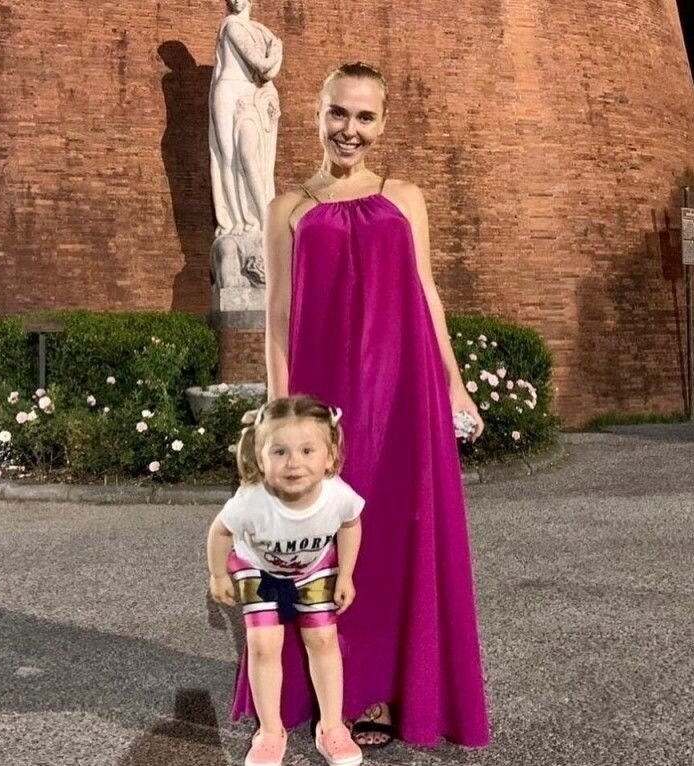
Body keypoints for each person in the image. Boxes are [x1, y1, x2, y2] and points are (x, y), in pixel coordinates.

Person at [236, 61, 491, 749]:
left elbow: (427, 293)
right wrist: (279, 416)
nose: (349, 129)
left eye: (364, 116)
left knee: (392, 534)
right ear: (318, 115)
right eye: (338, 113)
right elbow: (278, 318)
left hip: (403, 391)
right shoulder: (287, 209)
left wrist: (454, 382)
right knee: (318, 538)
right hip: (323, 399)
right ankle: (318, 692)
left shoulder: (404, 197)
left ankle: (379, 689)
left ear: (382, 123)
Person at [208, 395, 365, 766]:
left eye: (307, 450)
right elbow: (220, 531)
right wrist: (218, 574)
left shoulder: (337, 495)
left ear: (329, 456)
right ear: (260, 457)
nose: (294, 462)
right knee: (263, 645)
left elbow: (350, 524)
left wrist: (346, 574)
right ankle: (270, 731)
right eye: (279, 452)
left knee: (323, 640)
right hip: (258, 569)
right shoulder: (251, 501)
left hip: (313, 568)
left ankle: (331, 727)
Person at [209, 0, 282, 235]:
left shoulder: (259, 30)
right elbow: (261, 64)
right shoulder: (232, 26)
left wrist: (276, 51)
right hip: (227, 91)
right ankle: (235, 221)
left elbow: (268, 72)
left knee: (249, 156)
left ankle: (262, 218)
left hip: (249, 96)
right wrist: (277, 51)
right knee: (227, 157)